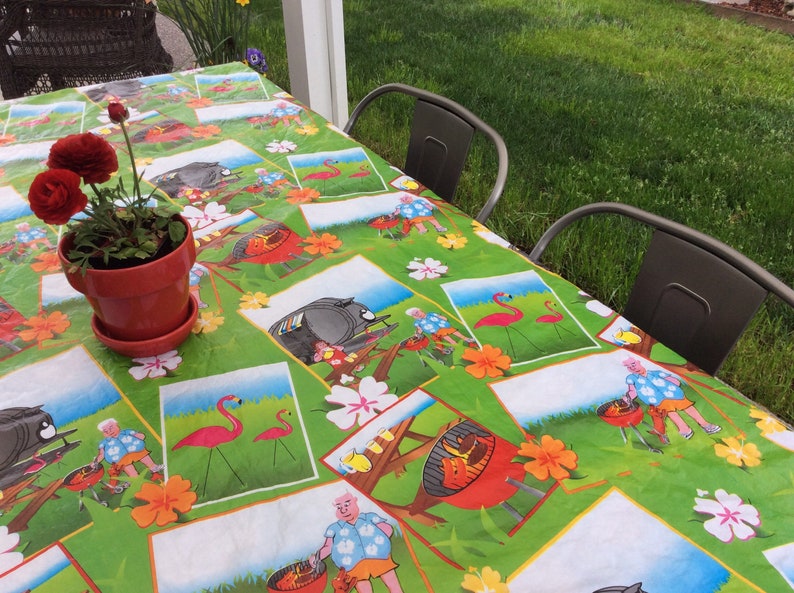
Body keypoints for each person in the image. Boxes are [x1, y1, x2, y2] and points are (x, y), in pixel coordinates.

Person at [312, 492, 403, 593]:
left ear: (355, 501)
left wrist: (379, 542)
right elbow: (328, 547)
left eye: (347, 504)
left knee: (393, 586)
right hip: (353, 564)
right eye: (339, 507)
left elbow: (388, 529)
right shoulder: (334, 528)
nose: (343, 510)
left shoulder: (369, 517)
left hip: (379, 556)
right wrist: (316, 557)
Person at [622, 357, 721, 440]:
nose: (633, 368)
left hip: (673, 393)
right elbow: (632, 391)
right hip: (656, 399)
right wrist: (628, 398)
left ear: (639, 362)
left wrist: (675, 382)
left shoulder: (655, 372)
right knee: (670, 412)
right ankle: (684, 428)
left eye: (633, 364)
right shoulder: (632, 378)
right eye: (629, 367)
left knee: (688, 407)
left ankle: (705, 424)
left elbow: (670, 379)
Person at [94, 418, 164, 478]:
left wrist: (140, 436)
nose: (109, 431)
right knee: (127, 466)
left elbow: (139, 435)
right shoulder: (104, 443)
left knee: (143, 456)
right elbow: (101, 454)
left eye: (111, 427)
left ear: (116, 425)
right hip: (120, 457)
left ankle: (153, 467)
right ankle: (134, 477)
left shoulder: (126, 432)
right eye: (105, 431)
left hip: (135, 449)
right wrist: (95, 462)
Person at [406, 307, 475, 354]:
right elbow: (419, 329)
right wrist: (418, 333)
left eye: (418, 313)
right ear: (413, 317)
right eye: (415, 315)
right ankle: (454, 344)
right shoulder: (417, 322)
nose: (418, 315)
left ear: (421, 310)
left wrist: (443, 318)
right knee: (444, 336)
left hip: (443, 325)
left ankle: (465, 339)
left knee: (453, 331)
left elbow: (439, 316)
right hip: (435, 331)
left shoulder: (430, 314)